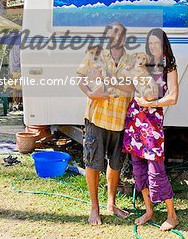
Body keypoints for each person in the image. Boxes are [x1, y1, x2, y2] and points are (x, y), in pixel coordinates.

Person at [77, 22, 134, 225]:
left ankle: (111, 203)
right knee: (92, 163)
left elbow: (132, 86)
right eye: (112, 33)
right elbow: (80, 78)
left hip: (120, 120)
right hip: (97, 118)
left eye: (119, 33)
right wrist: (91, 93)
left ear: (124, 38)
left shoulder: (132, 60)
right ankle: (95, 208)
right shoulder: (95, 53)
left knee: (116, 163)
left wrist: (110, 79)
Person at [122, 28, 179, 231]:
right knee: (139, 169)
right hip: (135, 122)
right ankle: (149, 210)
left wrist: (150, 104)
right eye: (151, 43)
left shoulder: (169, 67)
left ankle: (172, 216)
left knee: (157, 170)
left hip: (153, 125)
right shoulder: (143, 65)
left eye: (157, 43)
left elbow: (173, 97)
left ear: (164, 45)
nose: (153, 46)